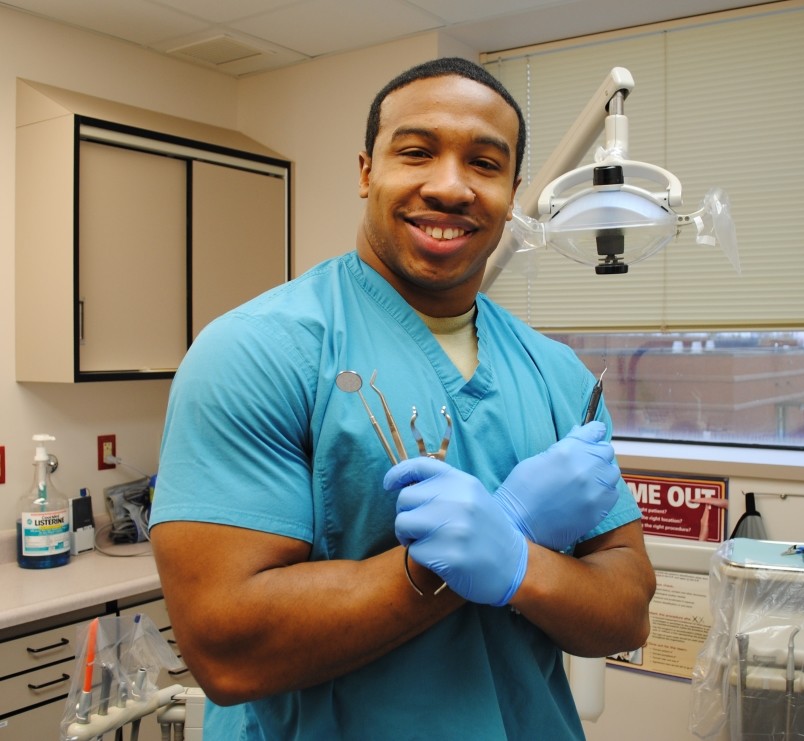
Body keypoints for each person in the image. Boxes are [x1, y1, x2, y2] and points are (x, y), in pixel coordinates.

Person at [149, 56, 656, 740]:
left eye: (484, 163)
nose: (449, 186)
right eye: (416, 152)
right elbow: (227, 649)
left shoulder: (558, 375)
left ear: (512, 193)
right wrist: (451, 560)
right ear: (366, 172)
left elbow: (628, 612)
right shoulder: (257, 352)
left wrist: (517, 562)